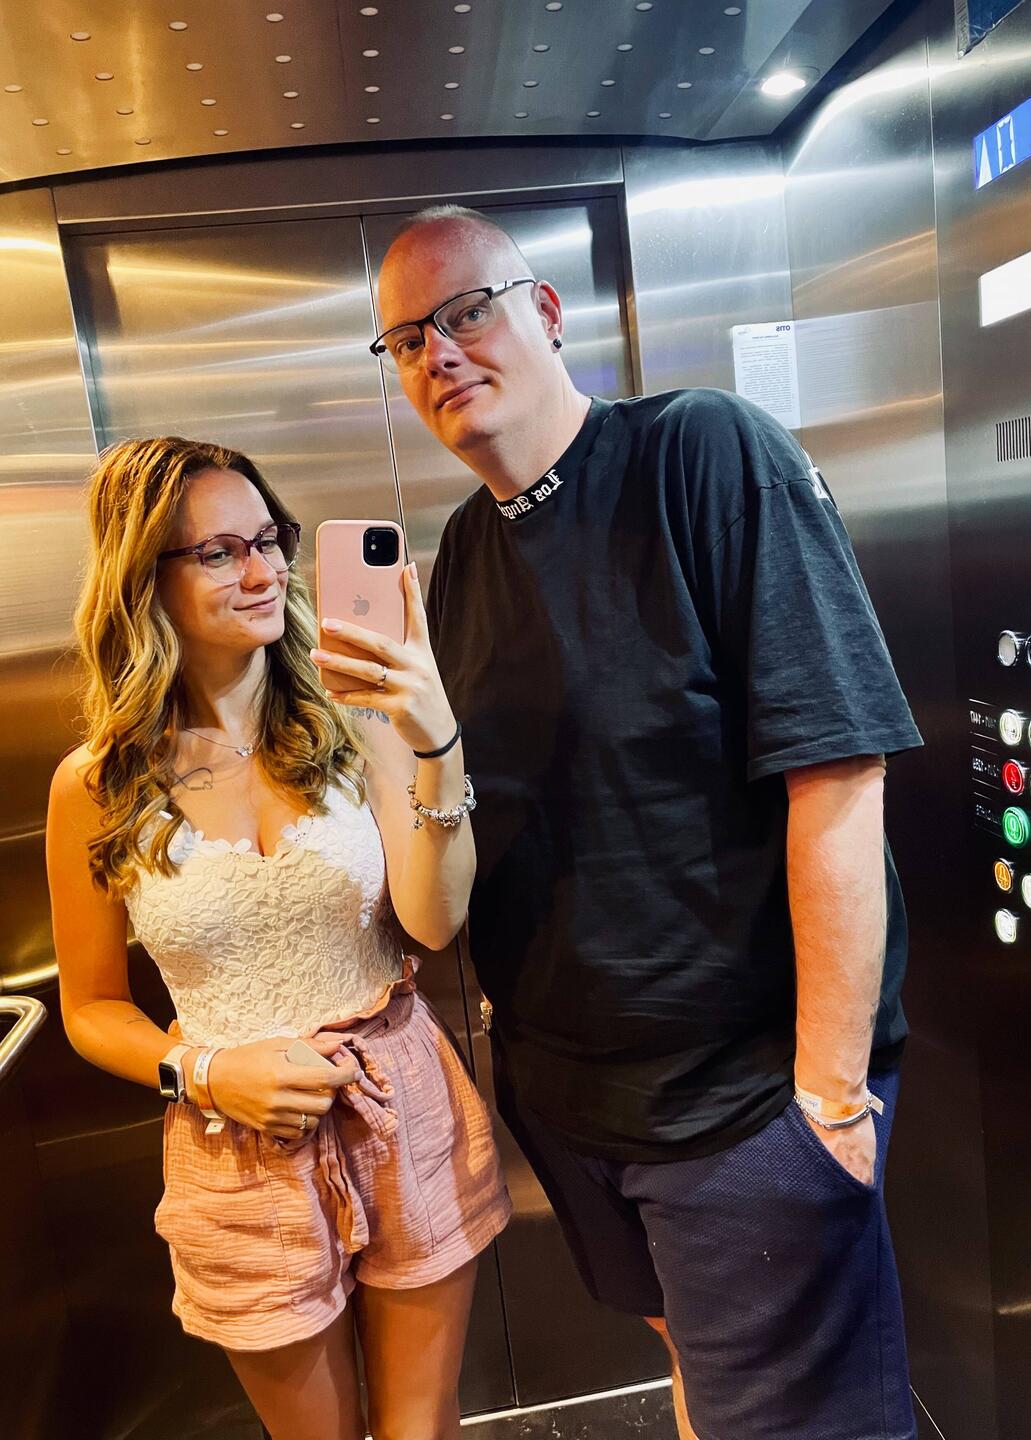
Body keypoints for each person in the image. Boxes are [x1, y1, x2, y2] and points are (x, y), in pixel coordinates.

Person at [372, 206, 923, 1440]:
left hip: (739, 1102)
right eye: (405, 340)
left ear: (546, 311)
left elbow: (837, 771)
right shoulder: (462, 552)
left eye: (466, 312)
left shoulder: (704, 452)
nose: (439, 352)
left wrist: (829, 1100)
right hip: (570, 1104)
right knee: (700, 1381)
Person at [45, 436, 510, 1440]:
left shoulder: (356, 723)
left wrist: (435, 742)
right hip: (235, 1147)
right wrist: (206, 1071)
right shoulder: (96, 785)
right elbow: (91, 1008)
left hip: (399, 1101)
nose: (261, 572)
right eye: (218, 553)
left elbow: (434, 923)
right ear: (143, 579)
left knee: (422, 1426)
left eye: (268, 540)